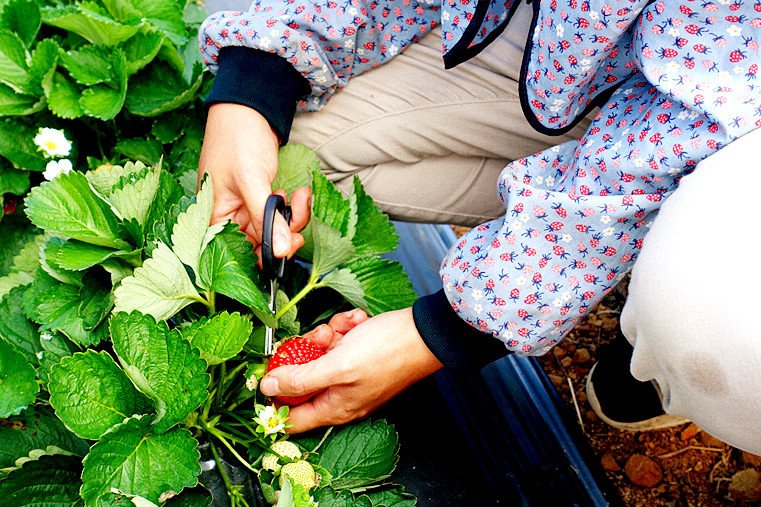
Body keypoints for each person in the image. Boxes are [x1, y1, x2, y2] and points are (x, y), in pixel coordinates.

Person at [197, 0, 761, 454]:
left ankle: (665, 334)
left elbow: (698, 116)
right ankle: (569, 244)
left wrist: (441, 332)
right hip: (570, 38)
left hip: (729, 95)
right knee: (301, 156)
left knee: (714, 326)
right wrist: (256, 84)